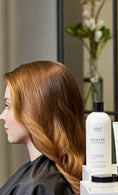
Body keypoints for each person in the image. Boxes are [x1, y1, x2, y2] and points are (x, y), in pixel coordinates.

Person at [0, 61, 85, 194]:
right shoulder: (43, 178)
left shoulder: (39, 186)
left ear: (34, 111)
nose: (2, 116)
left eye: (8, 106)